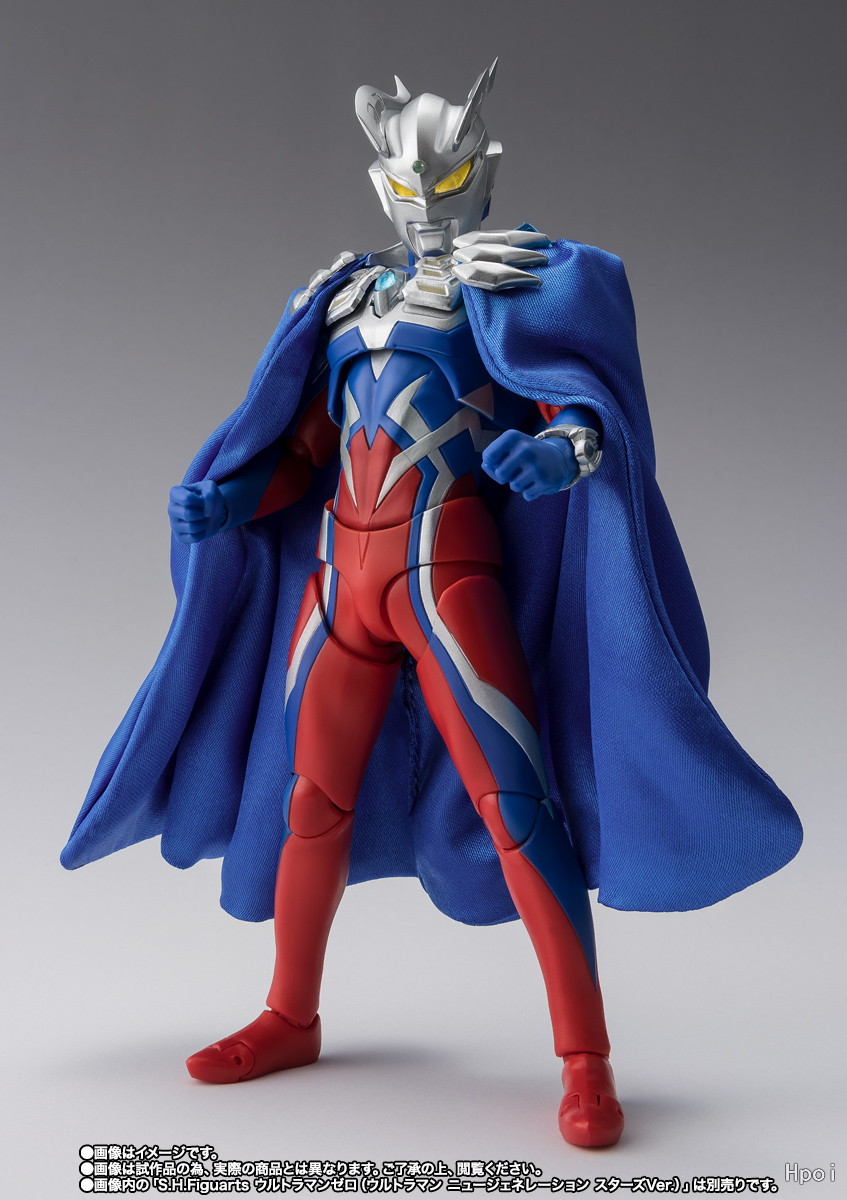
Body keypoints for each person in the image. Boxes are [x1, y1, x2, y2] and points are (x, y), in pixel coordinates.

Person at [63, 63, 802, 1149]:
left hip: (446, 576)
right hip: (337, 581)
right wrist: (230, 499)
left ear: (481, 174)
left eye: (446, 178)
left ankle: (585, 1061)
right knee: (310, 802)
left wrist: (557, 457)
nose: (425, 201)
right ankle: (290, 1015)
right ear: (379, 183)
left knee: (519, 805)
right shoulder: (342, 301)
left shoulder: (507, 287)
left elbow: (578, 414)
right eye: (406, 181)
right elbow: (305, 453)